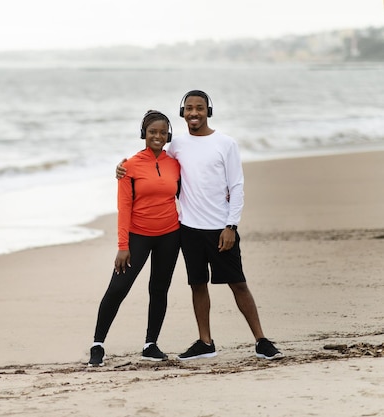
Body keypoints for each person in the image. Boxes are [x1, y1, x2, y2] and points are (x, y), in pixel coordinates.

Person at [116, 90, 283, 360]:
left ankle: (261, 340)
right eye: (189, 108)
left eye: (200, 108)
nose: (194, 113)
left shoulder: (225, 143)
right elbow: (152, 155)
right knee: (198, 285)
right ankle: (206, 343)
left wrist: (232, 225)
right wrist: (122, 166)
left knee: (238, 284)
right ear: (183, 112)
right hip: (189, 229)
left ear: (208, 111)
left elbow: (236, 186)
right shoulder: (177, 145)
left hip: (220, 229)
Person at [88, 110, 182, 367]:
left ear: (168, 135)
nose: (158, 136)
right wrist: (122, 245)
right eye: (153, 132)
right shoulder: (128, 166)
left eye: (163, 132)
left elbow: (190, 192)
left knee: (159, 289)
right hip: (137, 237)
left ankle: (150, 344)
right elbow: (124, 208)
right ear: (144, 134)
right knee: (118, 288)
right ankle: (97, 345)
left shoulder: (174, 163)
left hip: (170, 236)